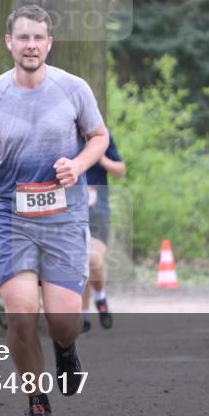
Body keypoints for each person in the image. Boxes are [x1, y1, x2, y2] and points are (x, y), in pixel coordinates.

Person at [0, 4, 109, 416]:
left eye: (38, 38)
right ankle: (36, 398)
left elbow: (99, 136)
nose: (31, 45)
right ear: (10, 43)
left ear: (50, 43)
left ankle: (65, 348)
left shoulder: (73, 88)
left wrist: (78, 166)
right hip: (12, 218)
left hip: (63, 218)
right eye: (23, 37)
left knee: (63, 321)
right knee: (21, 314)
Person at [81, 131, 125, 333]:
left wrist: (101, 158)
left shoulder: (101, 134)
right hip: (68, 209)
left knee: (93, 259)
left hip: (97, 211)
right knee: (77, 261)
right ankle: (83, 316)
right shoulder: (58, 132)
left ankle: (100, 297)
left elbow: (120, 171)